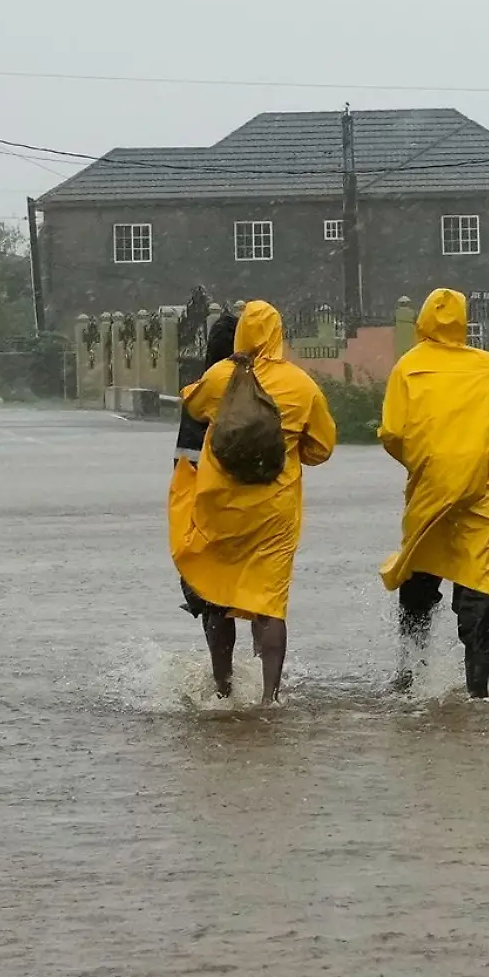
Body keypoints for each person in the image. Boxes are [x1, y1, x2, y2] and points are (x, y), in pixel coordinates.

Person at [171, 299, 337, 705]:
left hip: (221, 507)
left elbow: (193, 405)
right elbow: (322, 448)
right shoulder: (301, 384)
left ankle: (222, 690)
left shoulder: (221, 376)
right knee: (269, 603)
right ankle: (270, 697)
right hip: (274, 513)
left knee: (216, 596)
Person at [379, 288, 489, 699]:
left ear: (423, 320)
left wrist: (421, 460)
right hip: (477, 491)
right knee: (476, 579)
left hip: (427, 487)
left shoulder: (407, 367)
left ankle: (410, 680)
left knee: (419, 575)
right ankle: (478, 689)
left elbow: (391, 433)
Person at [169, 311, 238, 619]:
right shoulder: (270, 388)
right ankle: (264, 666)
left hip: (209, 503)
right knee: (259, 600)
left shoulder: (201, 390)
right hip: (259, 503)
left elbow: (184, 459)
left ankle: (221, 668)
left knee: (212, 597)